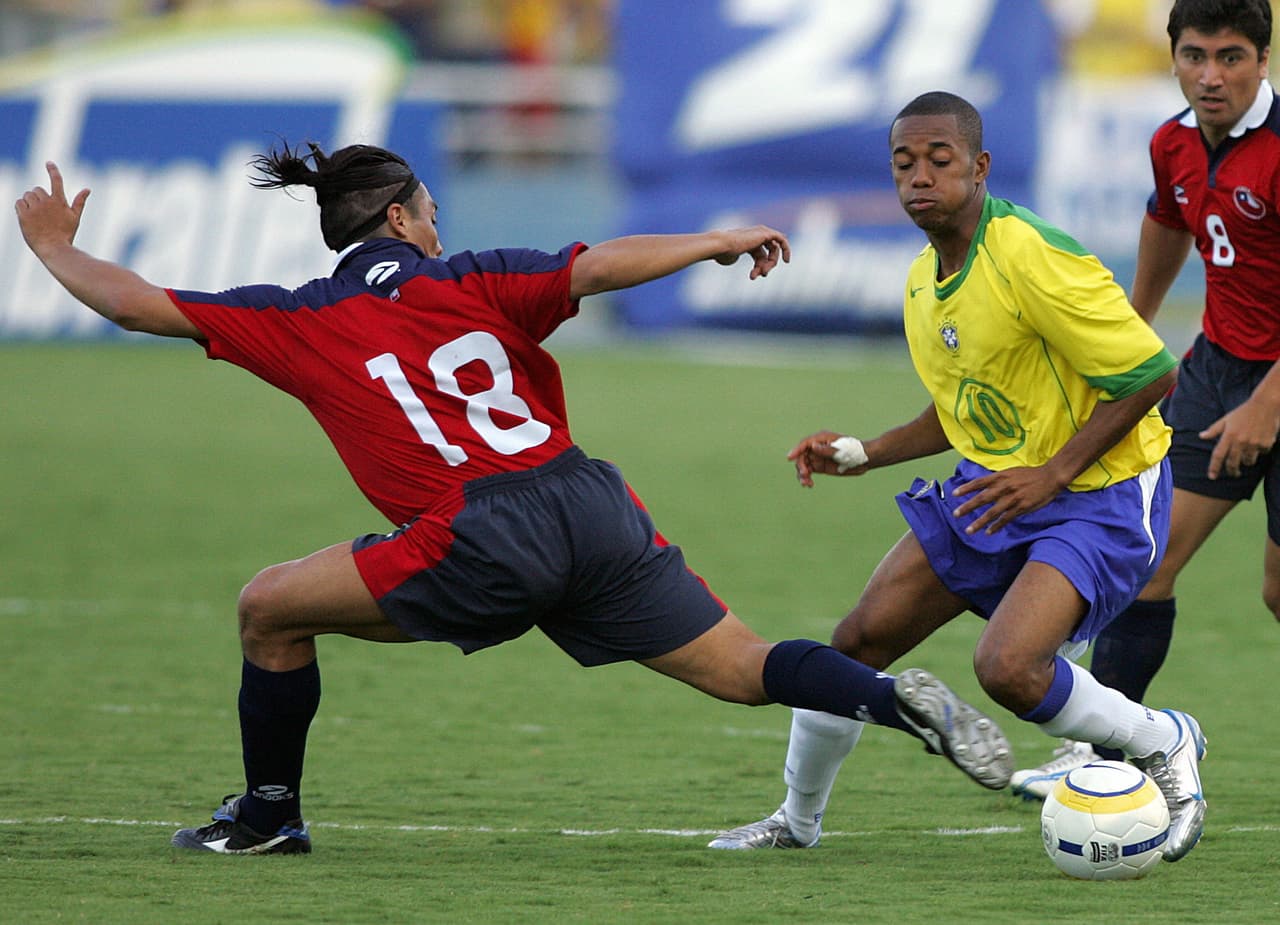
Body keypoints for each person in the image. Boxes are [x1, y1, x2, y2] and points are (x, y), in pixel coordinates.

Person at [14, 141, 1014, 855]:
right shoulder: (478, 280)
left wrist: (54, 247)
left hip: (479, 534)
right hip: (588, 503)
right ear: (402, 218)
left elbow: (137, 302)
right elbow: (599, 264)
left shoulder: (298, 318)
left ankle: (270, 814)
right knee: (747, 669)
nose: (441, 223)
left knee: (266, 609)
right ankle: (890, 700)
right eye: (431, 210)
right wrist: (711, 240)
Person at [706, 90, 1209, 863]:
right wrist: (864, 451)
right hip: (1000, 484)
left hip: (1101, 488)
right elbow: (962, 408)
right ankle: (796, 820)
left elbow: (1150, 372)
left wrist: (1052, 473)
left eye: (940, 160)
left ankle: (1164, 739)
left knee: (1009, 668)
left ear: (979, 167)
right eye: (904, 162)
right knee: (855, 643)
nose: (919, 177)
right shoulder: (921, 279)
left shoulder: (1030, 252)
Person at [1010, 0, 1278, 800]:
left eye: (1230, 57)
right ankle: (1110, 750)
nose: (1211, 75)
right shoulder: (1173, 141)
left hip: (1273, 383)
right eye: (1194, 55)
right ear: (1173, 56)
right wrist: (1133, 326)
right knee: (1148, 563)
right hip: (1216, 371)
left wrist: (1269, 403)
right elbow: (1168, 220)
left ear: (1263, 59)